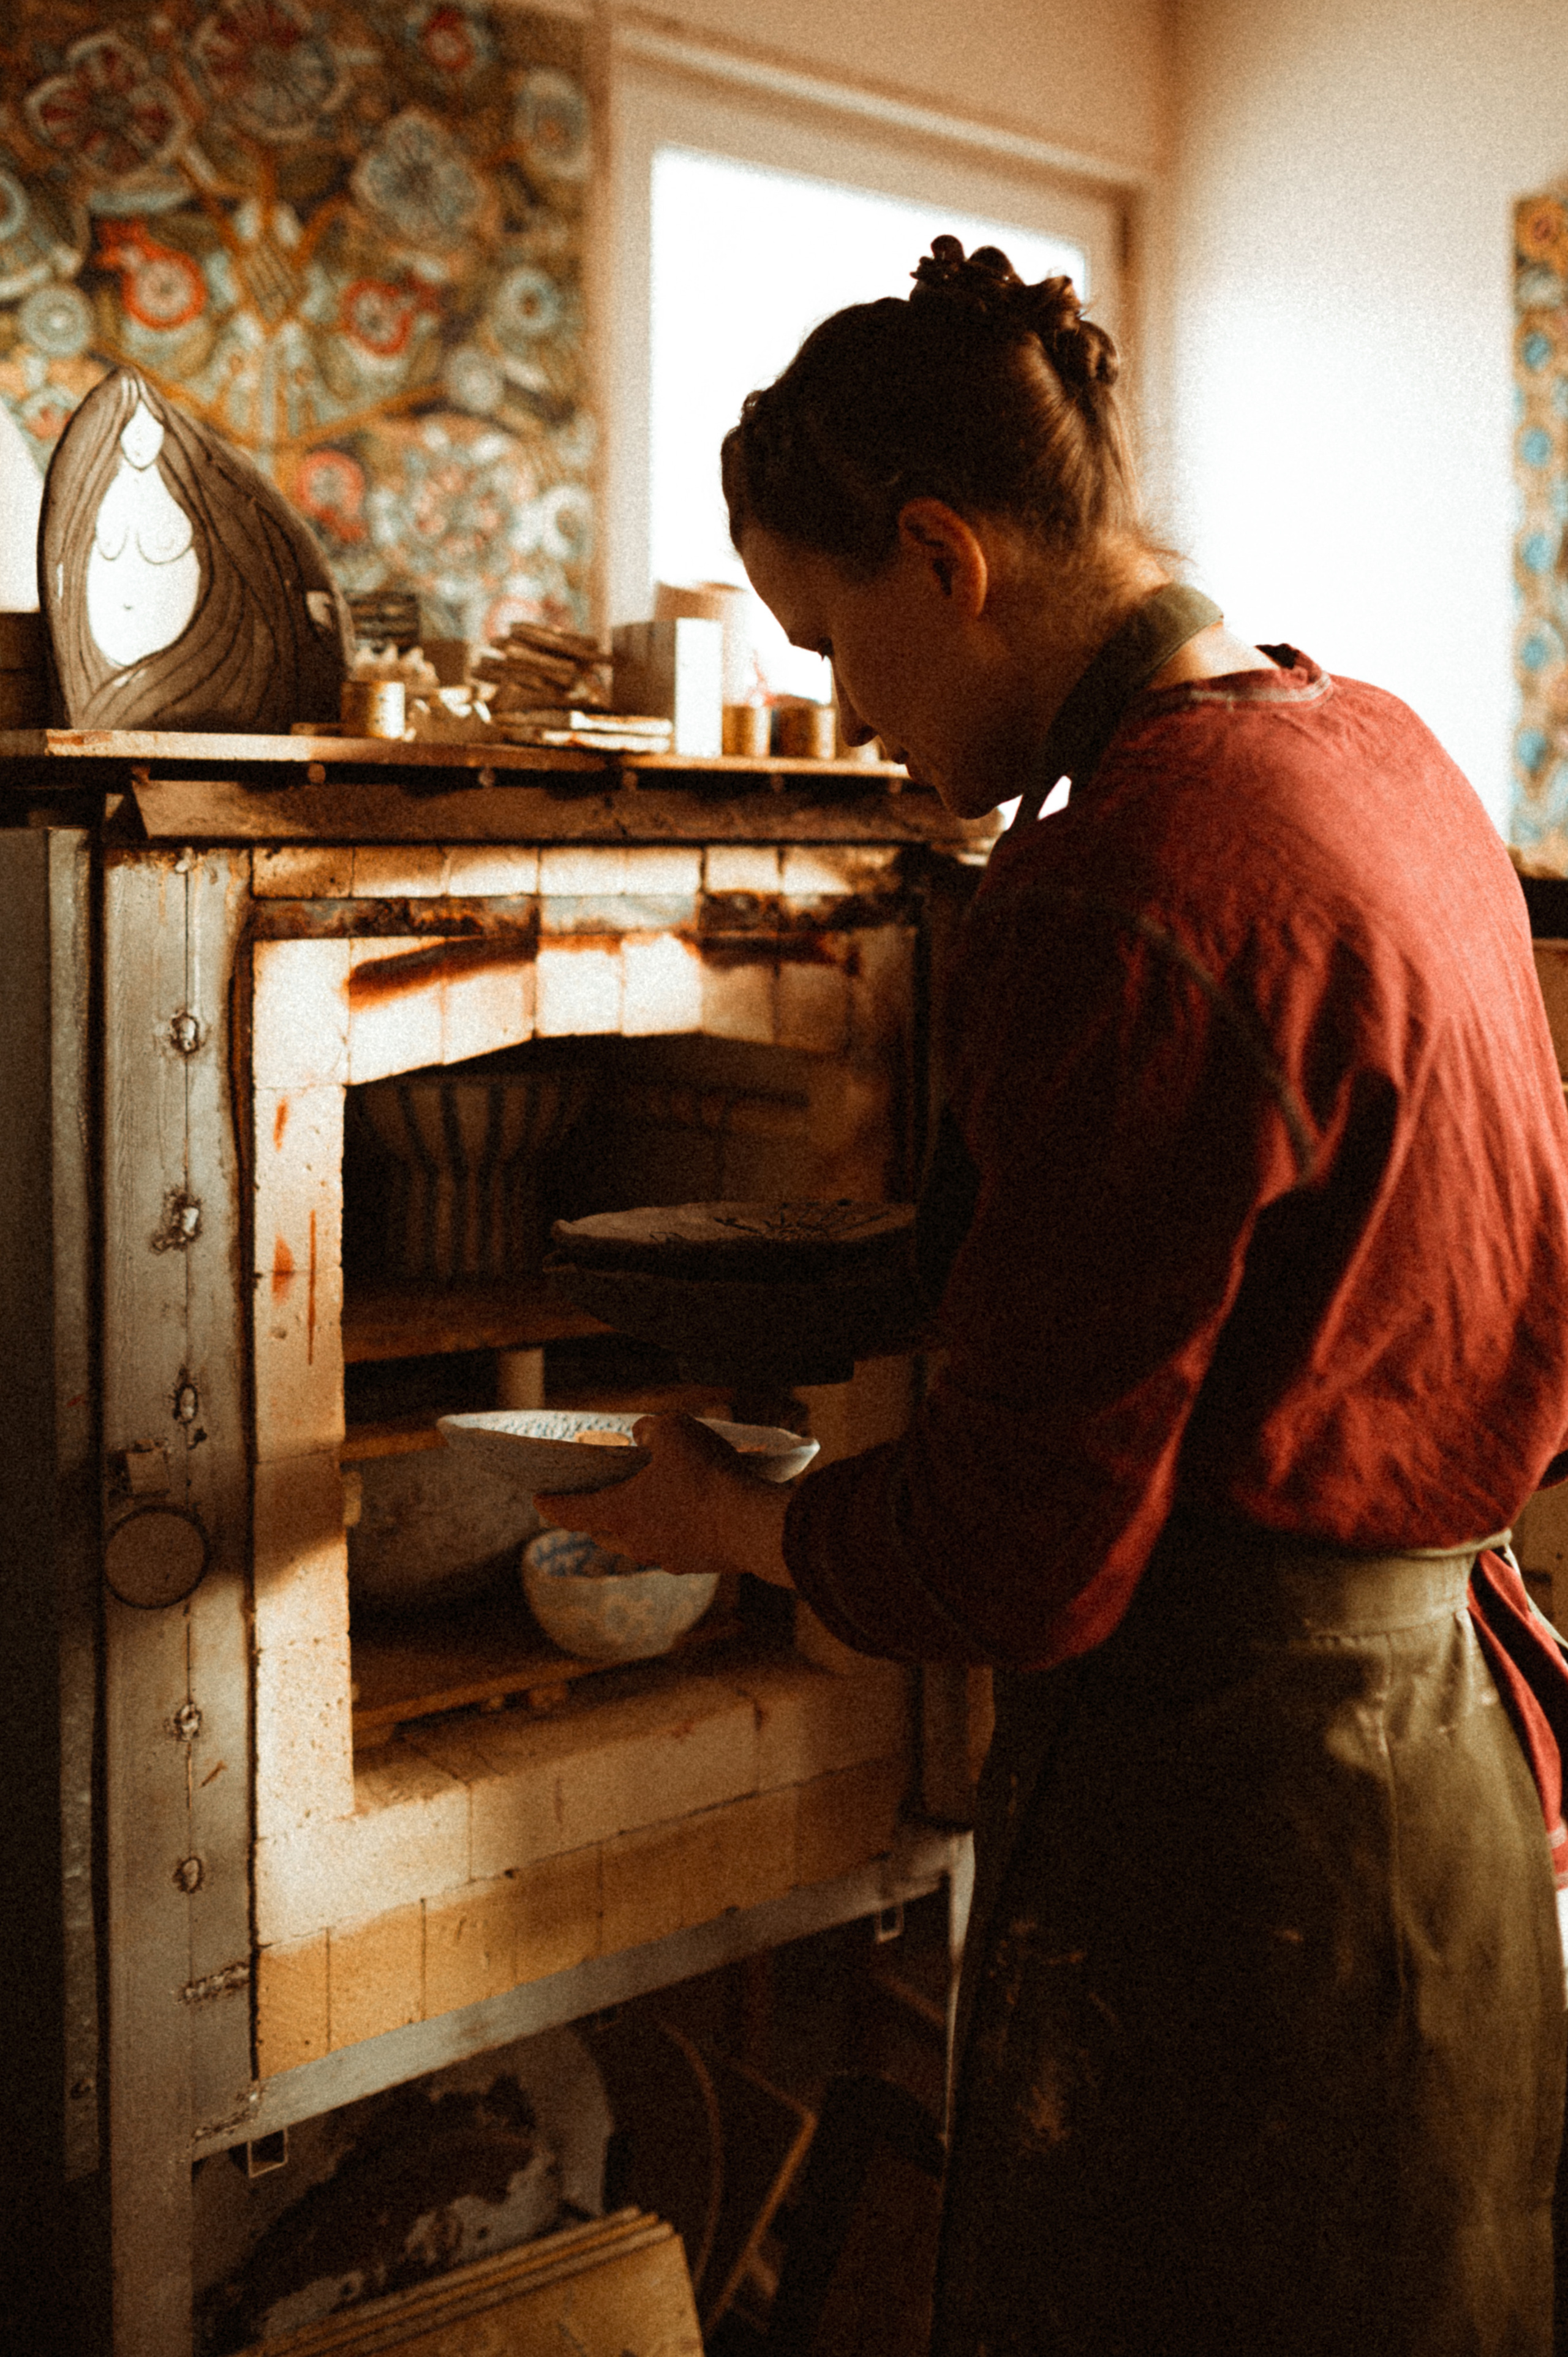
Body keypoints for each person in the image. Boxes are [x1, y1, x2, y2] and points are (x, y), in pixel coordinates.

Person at [540, 236, 1568, 2355]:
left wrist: (718, 1514)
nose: (851, 715)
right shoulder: (1367, 745)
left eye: (840, 646)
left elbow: (1022, 1562)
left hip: (1245, 1831)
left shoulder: (1125, 882)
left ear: (946, 556)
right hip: (1438, 1764)